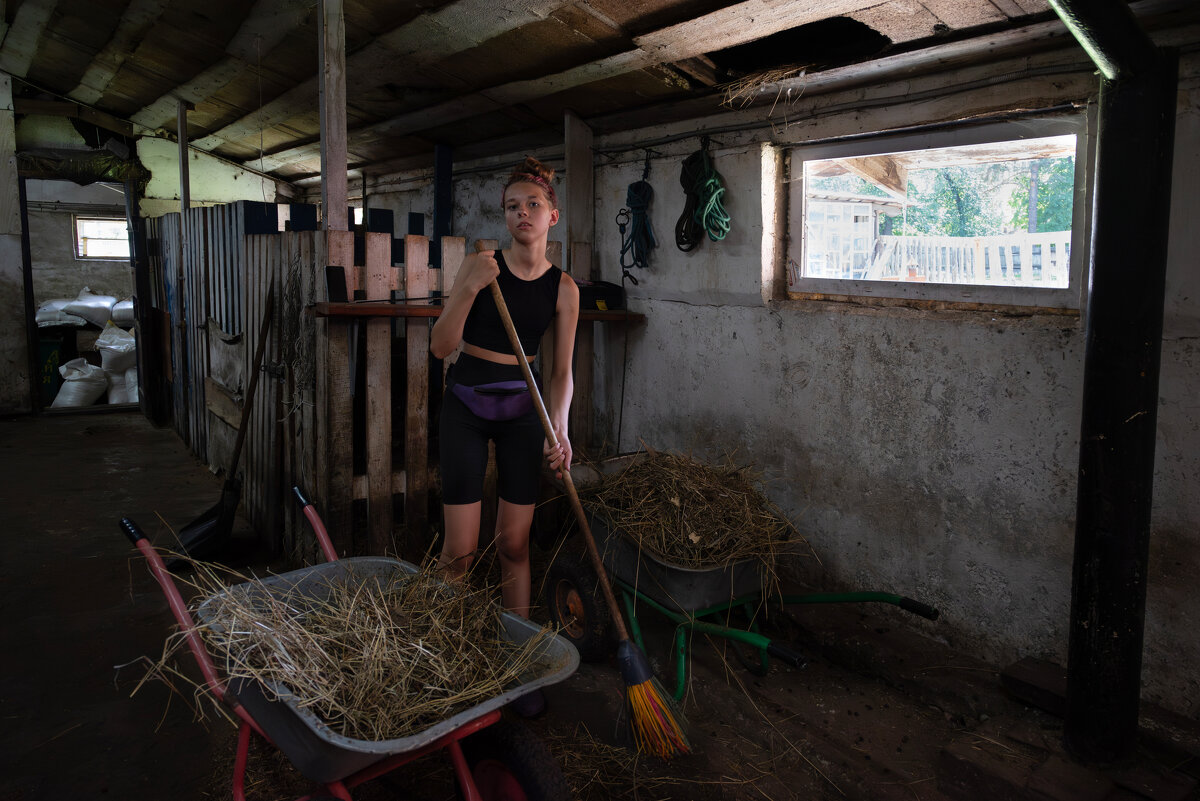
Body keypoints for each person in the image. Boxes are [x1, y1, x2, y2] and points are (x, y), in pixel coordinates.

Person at [430, 156, 580, 623]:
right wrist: (470, 288)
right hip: (467, 406)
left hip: (523, 411)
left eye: (532, 204)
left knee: (515, 544)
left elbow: (560, 373)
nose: (522, 212)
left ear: (551, 216)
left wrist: (560, 426)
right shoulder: (481, 265)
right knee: (460, 551)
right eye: (512, 206)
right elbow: (440, 346)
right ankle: (435, 648)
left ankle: (518, 653)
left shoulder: (564, 288)